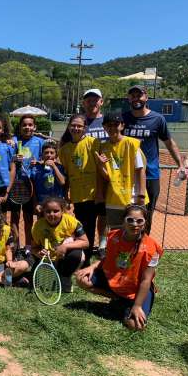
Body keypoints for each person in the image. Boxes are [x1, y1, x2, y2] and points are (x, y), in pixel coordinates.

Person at [75, 204, 162, 331]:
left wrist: (137, 306)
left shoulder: (151, 247)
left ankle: (128, 304)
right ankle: (119, 299)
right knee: (82, 279)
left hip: (137, 288)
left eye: (139, 221)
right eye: (130, 220)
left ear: (145, 223)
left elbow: (146, 280)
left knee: (136, 326)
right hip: (116, 281)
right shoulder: (113, 236)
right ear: (123, 220)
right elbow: (107, 258)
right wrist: (92, 266)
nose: (134, 224)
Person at [123, 85, 188, 233]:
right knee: (127, 211)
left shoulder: (157, 119)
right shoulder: (123, 118)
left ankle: (143, 246)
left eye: (139, 95)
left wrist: (181, 164)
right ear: (129, 99)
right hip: (127, 174)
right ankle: (125, 245)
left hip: (150, 174)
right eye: (132, 95)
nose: (136, 98)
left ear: (146, 97)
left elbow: (169, 142)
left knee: (146, 213)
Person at [95, 112, 148, 230]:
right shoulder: (104, 147)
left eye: (116, 124)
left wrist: (141, 195)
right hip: (114, 199)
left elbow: (140, 171)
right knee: (115, 232)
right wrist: (100, 165)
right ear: (104, 127)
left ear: (122, 126)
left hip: (133, 198)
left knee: (134, 232)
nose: (112, 127)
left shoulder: (131, 144)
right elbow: (108, 177)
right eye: (109, 125)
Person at [58, 114, 99, 267]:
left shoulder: (93, 143)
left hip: (92, 194)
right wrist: (65, 194)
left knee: (90, 226)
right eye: (73, 125)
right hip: (76, 196)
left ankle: (87, 259)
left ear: (85, 128)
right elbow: (66, 175)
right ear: (69, 127)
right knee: (79, 227)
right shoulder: (64, 150)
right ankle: (79, 257)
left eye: (79, 126)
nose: (76, 128)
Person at [31, 197, 89, 292]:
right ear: (43, 212)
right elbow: (34, 248)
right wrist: (39, 253)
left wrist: (65, 246)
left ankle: (65, 276)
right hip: (48, 260)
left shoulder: (71, 222)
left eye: (56, 211)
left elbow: (85, 242)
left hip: (64, 257)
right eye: (48, 211)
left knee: (77, 254)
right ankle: (54, 273)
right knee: (42, 286)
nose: (52, 214)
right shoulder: (37, 226)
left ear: (62, 211)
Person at [11, 114, 44, 247]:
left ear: (34, 127)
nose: (27, 127)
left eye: (30, 125)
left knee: (28, 217)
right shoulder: (13, 141)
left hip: (32, 185)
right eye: (24, 125)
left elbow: (48, 158)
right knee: (14, 217)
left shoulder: (40, 142)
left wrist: (39, 162)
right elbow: (7, 158)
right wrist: (14, 157)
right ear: (20, 127)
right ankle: (17, 247)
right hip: (16, 184)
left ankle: (29, 248)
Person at [82, 88, 108, 255]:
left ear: (101, 102)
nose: (92, 102)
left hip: (105, 173)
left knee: (103, 212)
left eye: (95, 99)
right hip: (85, 176)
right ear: (84, 103)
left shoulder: (107, 121)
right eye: (89, 99)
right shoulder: (79, 122)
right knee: (87, 214)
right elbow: (65, 143)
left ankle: (103, 245)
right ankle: (87, 244)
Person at [32, 141, 66, 206]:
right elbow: (34, 189)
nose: (49, 155)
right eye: (46, 153)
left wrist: (54, 166)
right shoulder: (36, 169)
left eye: (52, 153)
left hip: (57, 202)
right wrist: (35, 203)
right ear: (42, 154)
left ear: (56, 155)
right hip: (42, 202)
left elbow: (62, 182)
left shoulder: (60, 167)